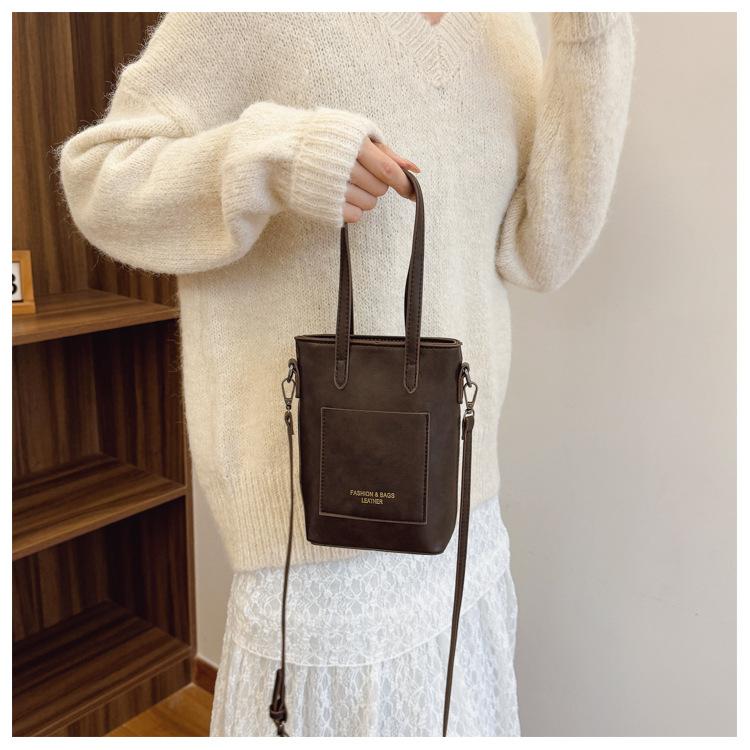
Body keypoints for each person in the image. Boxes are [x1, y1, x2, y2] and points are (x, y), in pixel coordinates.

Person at [57, 11, 635, 736]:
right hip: (313, 536)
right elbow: (100, 182)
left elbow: (539, 252)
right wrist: (277, 157)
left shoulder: (506, 23)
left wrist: (592, 33)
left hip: (462, 511)